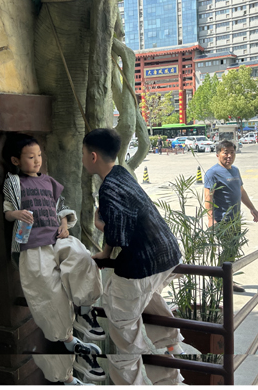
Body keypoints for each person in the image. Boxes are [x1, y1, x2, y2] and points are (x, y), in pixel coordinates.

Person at [82, 128, 184, 386]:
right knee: (145, 298)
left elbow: (119, 234)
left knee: (122, 326)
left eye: (83, 154)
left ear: (93, 156)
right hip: (167, 255)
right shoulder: (122, 174)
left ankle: (135, 379)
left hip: (142, 262)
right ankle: (170, 347)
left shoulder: (108, 188)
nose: (82, 159)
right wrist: (106, 252)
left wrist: (100, 226)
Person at [2, 135, 105, 385]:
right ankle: (67, 341)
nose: (37, 160)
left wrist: (64, 225)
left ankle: (85, 309)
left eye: (39, 155)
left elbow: (60, 208)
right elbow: (7, 211)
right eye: (30, 157)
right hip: (33, 245)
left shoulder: (48, 181)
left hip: (57, 239)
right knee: (48, 295)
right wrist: (16, 214)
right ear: (16, 160)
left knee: (81, 257)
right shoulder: (15, 183)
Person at [204, 139, 258, 292]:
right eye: (225, 152)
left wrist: (252, 208)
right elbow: (208, 197)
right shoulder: (212, 173)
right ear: (218, 154)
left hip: (235, 219)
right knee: (229, 249)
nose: (229, 156)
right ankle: (221, 280)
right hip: (222, 220)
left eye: (232, 152)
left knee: (233, 250)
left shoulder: (235, 170)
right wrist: (211, 219)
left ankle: (224, 279)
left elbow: (241, 191)